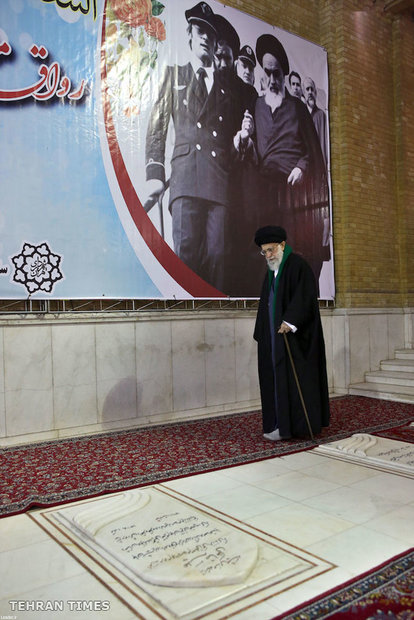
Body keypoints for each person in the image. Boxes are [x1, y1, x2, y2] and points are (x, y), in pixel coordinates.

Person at [144, 2, 251, 292]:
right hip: (185, 179)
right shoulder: (174, 75)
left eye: (210, 34)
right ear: (190, 36)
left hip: (219, 181)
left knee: (219, 258)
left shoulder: (231, 88)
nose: (205, 37)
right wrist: (155, 172)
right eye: (199, 30)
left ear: (217, 44)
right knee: (187, 257)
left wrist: (241, 140)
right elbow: (157, 124)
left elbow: (235, 135)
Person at [235, 34, 329, 287]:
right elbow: (252, 156)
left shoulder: (297, 107)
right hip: (264, 195)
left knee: (294, 257)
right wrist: (247, 137)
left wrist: (301, 166)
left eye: (277, 74)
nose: (273, 80)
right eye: (268, 73)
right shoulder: (255, 106)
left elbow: (313, 153)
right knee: (266, 258)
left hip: (293, 195)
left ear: (284, 74)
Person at [253, 225, 330, 440]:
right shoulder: (272, 271)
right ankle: (277, 424)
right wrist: (262, 333)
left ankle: (296, 427)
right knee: (274, 382)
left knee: (295, 383)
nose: (268, 255)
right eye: (264, 251)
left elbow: (305, 295)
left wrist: (290, 321)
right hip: (273, 338)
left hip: (293, 339)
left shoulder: (298, 265)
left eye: (271, 250)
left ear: (282, 245)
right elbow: (266, 303)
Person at [303, 76, 328, 167]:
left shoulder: (321, 115)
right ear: (303, 93)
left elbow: (324, 144)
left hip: (317, 164)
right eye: (307, 89)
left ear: (315, 93)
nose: (310, 92)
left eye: (312, 89)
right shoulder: (300, 115)